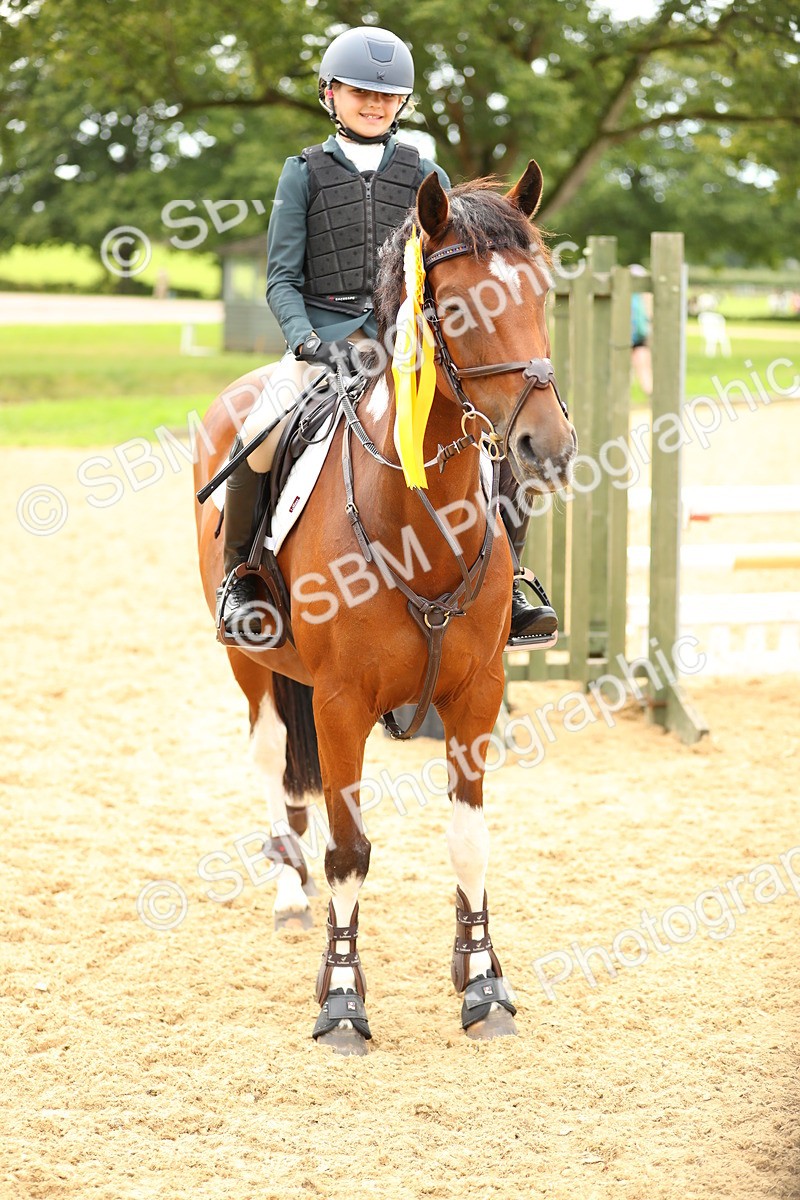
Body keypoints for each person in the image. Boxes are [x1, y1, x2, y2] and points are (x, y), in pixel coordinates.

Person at [217, 25, 557, 646]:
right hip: (324, 343)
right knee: (259, 430)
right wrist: (305, 341)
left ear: (401, 103)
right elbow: (281, 280)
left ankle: (512, 578)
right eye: (359, 92)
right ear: (330, 94)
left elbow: (451, 267)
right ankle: (241, 575)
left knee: (499, 434)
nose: (374, 104)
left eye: (387, 95)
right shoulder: (303, 174)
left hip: (409, 348)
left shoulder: (426, 174)